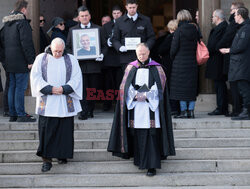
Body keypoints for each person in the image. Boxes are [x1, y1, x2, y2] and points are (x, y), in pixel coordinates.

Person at [107, 43, 175, 176]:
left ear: (149, 53)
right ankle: (139, 160)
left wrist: (146, 95)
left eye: (144, 54)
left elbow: (160, 87)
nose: (142, 56)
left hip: (151, 108)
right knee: (137, 134)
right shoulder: (130, 67)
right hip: (136, 108)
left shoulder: (157, 68)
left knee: (151, 135)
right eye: (139, 54)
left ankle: (151, 166)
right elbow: (124, 87)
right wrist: (134, 95)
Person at [30, 38, 82, 172]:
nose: (57, 54)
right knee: (47, 131)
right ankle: (46, 160)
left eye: (60, 51)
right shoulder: (41, 58)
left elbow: (76, 77)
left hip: (65, 100)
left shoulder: (71, 59)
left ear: (64, 49)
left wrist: (65, 88)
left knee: (64, 130)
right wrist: (49, 89)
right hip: (48, 101)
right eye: (55, 51)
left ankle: (62, 154)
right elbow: (35, 77)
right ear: (50, 48)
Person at [1, 0, 36, 122]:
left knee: (12, 87)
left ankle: (13, 114)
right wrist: (31, 60)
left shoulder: (6, 25)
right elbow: (26, 43)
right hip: (21, 62)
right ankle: (21, 114)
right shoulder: (22, 23)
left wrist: (4, 60)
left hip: (9, 62)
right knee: (20, 88)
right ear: (23, 9)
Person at [67, 6, 103, 120]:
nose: (84, 18)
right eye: (82, 16)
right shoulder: (72, 30)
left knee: (93, 89)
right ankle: (83, 111)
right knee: (81, 89)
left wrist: (102, 54)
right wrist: (73, 56)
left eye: (86, 15)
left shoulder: (98, 29)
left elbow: (104, 46)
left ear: (90, 16)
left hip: (94, 66)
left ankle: (90, 110)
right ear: (78, 17)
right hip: (79, 66)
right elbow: (68, 47)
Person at [220, 7, 250, 120]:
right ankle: (245, 110)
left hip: (242, 65)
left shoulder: (246, 29)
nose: (234, 17)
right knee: (242, 88)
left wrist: (229, 50)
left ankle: (246, 111)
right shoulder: (243, 28)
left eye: (236, 15)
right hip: (240, 64)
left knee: (244, 88)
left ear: (240, 16)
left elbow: (241, 46)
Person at [170, 10, 199, 119]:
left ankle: (183, 111)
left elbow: (173, 49)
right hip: (192, 63)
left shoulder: (178, 31)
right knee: (191, 88)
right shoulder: (195, 29)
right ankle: (191, 111)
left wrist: (174, 58)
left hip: (180, 64)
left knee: (181, 88)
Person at [112, 0, 155, 71]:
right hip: (125, 57)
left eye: (134, 7)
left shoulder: (145, 20)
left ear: (137, 6)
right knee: (127, 80)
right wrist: (119, 47)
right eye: (130, 7)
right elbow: (115, 39)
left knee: (142, 80)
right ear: (126, 7)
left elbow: (152, 37)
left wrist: (146, 47)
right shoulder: (119, 21)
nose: (132, 10)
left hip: (142, 57)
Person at [206, 9, 229, 116]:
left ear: (218, 18)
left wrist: (209, 49)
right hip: (217, 60)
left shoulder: (222, 27)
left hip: (218, 61)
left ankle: (221, 108)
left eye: (213, 16)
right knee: (219, 85)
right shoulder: (221, 27)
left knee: (220, 85)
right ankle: (221, 107)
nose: (212, 18)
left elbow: (214, 45)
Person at [101, 5, 123, 111]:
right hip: (109, 58)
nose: (116, 15)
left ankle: (119, 104)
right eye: (114, 13)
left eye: (118, 13)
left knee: (120, 82)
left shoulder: (125, 23)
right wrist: (107, 42)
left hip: (121, 58)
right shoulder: (107, 26)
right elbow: (102, 39)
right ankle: (107, 104)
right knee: (108, 83)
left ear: (122, 13)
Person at [158, 19, 179, 116]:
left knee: (170, 86)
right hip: (177, 65)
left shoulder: (170, 37)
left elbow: (161, 49)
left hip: (169, 65)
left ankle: (173, 108)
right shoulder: (179, 36)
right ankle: (177, 107)